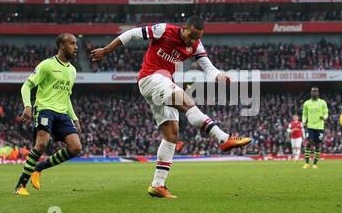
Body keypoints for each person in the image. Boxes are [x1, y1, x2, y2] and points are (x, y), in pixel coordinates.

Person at [91, 16, 252, 198]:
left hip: (163, 82)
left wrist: (220, 76)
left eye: (197, 37)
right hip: (151, 77)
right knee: (187, 102)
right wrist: (106, 50)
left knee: (171, 134)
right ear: (184, 28)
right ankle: (223, 138)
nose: (192, 41)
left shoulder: (196, 45)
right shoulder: (165, 30)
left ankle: (157, 185)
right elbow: (133, 33)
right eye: (191, 35)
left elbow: (209, 68)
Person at [13, 33, 82, 195]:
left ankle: (39, 168)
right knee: (42, 143)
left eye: (76, 44)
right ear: (62, 46)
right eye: (72, 43)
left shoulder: (72, 70)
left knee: (76, 147)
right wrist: (28, 106)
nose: (76, 47)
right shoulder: (47, 65)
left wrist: (75, 118)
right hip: (45, 109)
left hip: (62, 113)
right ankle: (20, 186)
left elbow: (67, 97)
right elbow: (26, 86)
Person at [302, 87, 328, 169]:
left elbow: (326, 113)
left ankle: (315, 163)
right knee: (309, 143)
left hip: (320, 127)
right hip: (310, 127)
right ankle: (306, 163)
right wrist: (303, 121)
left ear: (318, 93)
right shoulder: (307, 103)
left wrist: (324, 117)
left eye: (316, 91)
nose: (314, 93)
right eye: (313, 91)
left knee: (317, 145)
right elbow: (304, 114)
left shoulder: (322, 102)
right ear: (311, 93)